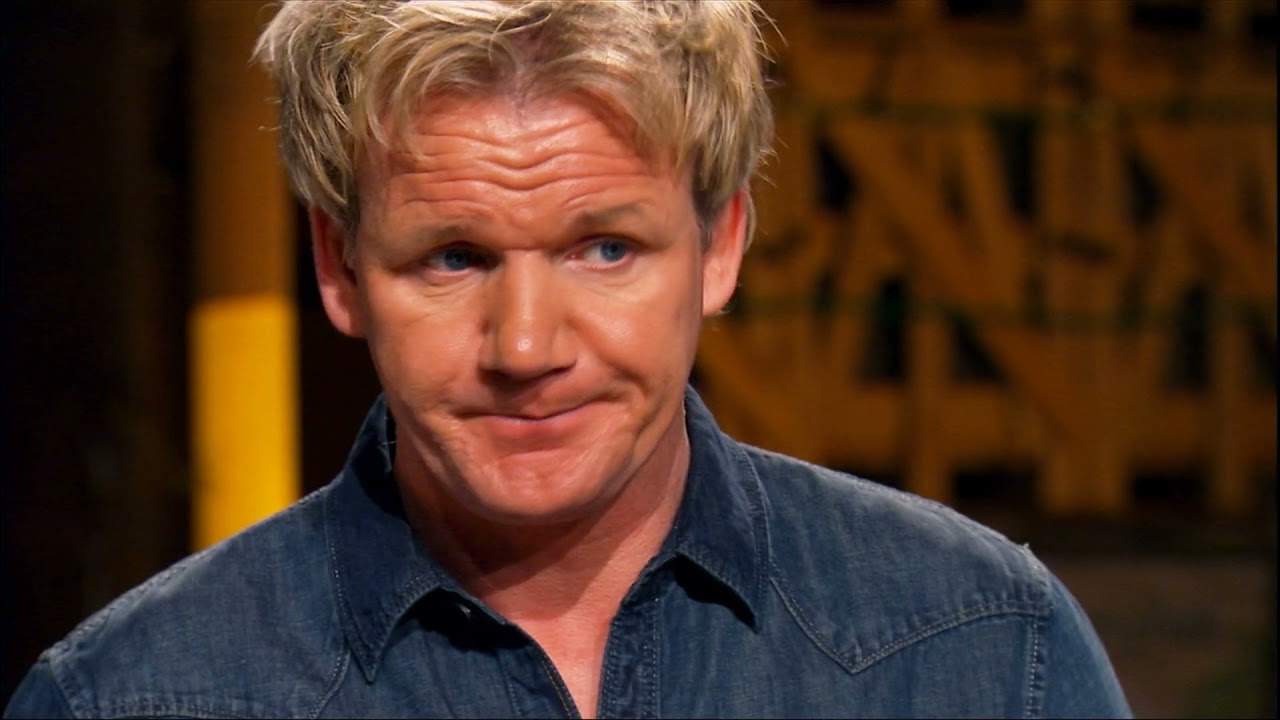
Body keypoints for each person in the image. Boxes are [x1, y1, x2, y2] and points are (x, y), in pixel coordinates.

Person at [6, 1, 1130, 717]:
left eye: (605, 249)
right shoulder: (132, 699)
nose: (526, 347)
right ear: (340, 267)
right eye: (453, 258)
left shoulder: (985, 648)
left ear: (721, 245)